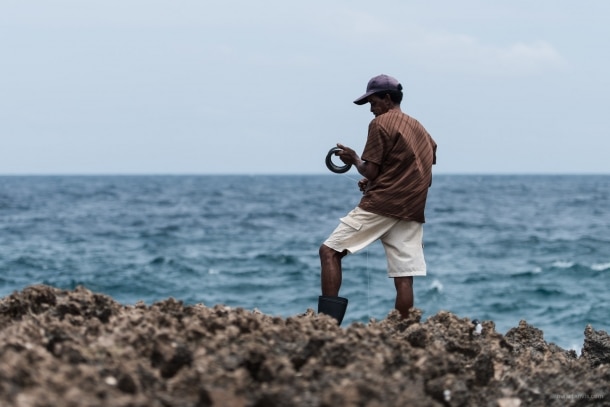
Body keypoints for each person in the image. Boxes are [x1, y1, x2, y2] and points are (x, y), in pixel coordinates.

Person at [317, 74, 437, 325]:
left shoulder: (381, 123)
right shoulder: (420, 128)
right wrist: (374, 180)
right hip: (412, 207)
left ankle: (325, 326)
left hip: (382, 204)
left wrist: (354, 160)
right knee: (404, 274)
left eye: (373, 102)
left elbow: (370, 169)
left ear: (387, 98)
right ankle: (406, 332)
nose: (372, 109)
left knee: (329, 251)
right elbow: (414, 164)